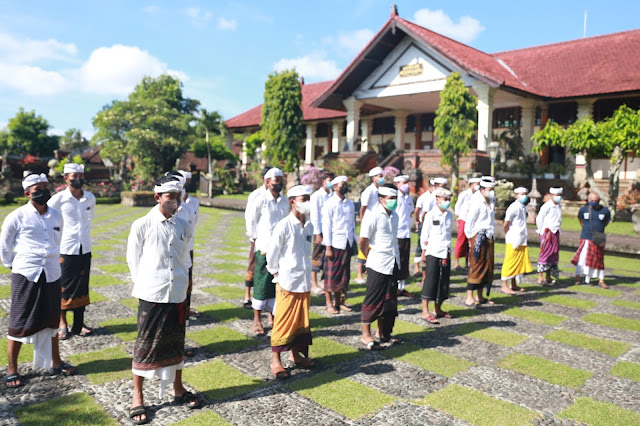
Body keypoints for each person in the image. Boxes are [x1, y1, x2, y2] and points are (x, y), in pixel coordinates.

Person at [126, 175, 201, 425]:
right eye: (170, 197)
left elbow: (185, 260)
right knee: (145, 345)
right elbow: (133, 261)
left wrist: (184, 285)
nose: (175, 202)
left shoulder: (183, 225)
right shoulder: (142, 224)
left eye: (178, 197)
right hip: (152, 293)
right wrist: (147, 286)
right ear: (157, 197)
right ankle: (138, 396)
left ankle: (178, 388)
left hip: (177, 292)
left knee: (176, 342)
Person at [1, 173, 77, 389]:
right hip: (26, 273)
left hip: (52, 272)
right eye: (38, 189)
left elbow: (58, 240)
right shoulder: (17, 216)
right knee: (19, 320)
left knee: (52, 318)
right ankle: (12, 368)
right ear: (27, 193)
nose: (44, 191)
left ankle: (56, 361)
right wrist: (16, 266)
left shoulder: (56, 215)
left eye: (46, 186)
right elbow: (5, 247)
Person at [266, 185, 315, 379]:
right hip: (287, 281)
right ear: (292, 202)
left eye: (308, 198)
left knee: (301, 322)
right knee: (283, 321)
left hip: (304, 281)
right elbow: (272, 255)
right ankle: (276, 361)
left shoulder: (309, 225)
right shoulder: (284, 225)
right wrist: (277, 275)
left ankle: (296, 356)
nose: (307, 203)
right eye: (304, 199)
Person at [48, 163, 96, 339]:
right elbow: (49, 223)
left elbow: (89, 219)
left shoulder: (90, 198)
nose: (78, 179)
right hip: (65, 248)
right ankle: (62, 323)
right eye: (74, 176)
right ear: (66, 178)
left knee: (82, 286)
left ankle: (79, 323)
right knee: (64, 287)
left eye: (80, 175)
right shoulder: (58, 200)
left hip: (85, 247)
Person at [247, 167, 289, 335]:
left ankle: (273, 315)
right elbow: (251, 221)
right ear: (267, 182)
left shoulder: (285, 201)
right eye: (275, 182)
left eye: (280, 182)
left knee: (276, 284)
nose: (278, 185)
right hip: (264, 248)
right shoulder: (260, 200)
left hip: (281, 251)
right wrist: (256, 239)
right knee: (261, 284)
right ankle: (257, 319)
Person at [359, 183, 401, 349]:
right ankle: (365, 335)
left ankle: (383, 333)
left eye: (395, 199)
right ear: (381, 199)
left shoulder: (395, 216)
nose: (393, 202)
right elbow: (363, 240)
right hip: (377, 263)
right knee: (373, 299)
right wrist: (368, 257)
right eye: (391, 199)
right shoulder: (373, 215)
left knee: (389, 301)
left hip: (392, 262)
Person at [322, 176, 357, 314]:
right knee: (331, 275)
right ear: (335, 187)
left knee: (343, 275)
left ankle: (339, 302)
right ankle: (328, 303)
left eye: (346, 184)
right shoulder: (330, 203)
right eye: (342, 185)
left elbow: (352, 224)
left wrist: (354, 242)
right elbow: (327, 226)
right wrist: (328, 247)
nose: (345, 187)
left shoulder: (349, 203)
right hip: (335, 243)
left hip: (347, 243)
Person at [420, 187, 453, 324]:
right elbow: (425, 233)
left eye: (449, 199)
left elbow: (448, 234)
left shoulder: (449, 215)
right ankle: (425, 311)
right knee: (431, 280)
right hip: (432, 251)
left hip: (445, 251)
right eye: (445, 199)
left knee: (443, 281)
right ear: (437, 199)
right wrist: (423, 250)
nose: (447, 202)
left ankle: (438, 309)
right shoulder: (431, 215)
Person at [464, 180, 496, 308]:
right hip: (478, 236)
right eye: (489, 189)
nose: (492, 192)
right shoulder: (477, 202)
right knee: (476, 265)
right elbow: (469, 222)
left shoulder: (491, 202)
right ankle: (469, 297)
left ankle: (480, 295)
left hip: (489, 235)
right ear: (482, 190)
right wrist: (471, 240)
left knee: (487, 265)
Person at [244, 166, 272, 309]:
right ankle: (248, 294)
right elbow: (250, 218)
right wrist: (253, 237)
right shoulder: (256, 195)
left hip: (272, 241)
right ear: (264, 180)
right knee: (253, 266)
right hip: (258, 239)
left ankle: (267, 299)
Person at [571, 192, 611, 288]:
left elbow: (605, 222)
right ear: (588, 201)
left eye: (596, 201)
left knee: (599, 259)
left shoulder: (605, 211)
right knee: (582, 258)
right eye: (592, 201)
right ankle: (578, 278)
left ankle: (601, 280)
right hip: (585, 237)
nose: (594, 202)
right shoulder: (583, 210)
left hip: (599, 237)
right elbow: (581, 222)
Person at [501, 187, 533, 294]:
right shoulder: (513, 207)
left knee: (518, 263)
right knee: (509, 261)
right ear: (516, 195)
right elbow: (506, 223)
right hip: (513, 239)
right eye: (521, 194)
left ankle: (513, 284)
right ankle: (504, 285)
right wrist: (508, 235)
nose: (524, 196)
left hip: (521, 238)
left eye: (525, 194)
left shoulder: (523, 207)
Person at [356, 166, 385, 284]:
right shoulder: (368, 191)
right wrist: (363, 223)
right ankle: (359, 274)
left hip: (378, 222)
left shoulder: (381, 190)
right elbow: (363, 209)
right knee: (364, 248)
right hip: (369, 221)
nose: (382, 178)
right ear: (373, 178)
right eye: (380, 176)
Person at [310, 170, 335, 296]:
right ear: (323, 182)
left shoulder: (332, 195)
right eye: (329, 181)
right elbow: (315, 216)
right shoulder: (316, 196)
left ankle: (325, 281)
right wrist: (317, 233)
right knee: (317, 256)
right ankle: (314, 284)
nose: (331, 184)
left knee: (327, 257)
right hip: (320, 230)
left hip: (330, 231)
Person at [536, 187, 563, 286]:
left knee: (553, 254)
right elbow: (540, 218)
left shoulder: (558, 205)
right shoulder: (547, 206)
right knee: (545, 253)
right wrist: (540, 230)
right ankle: (540, 277)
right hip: (548, 232)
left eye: (559, 195)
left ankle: (548, 276)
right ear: (551, 196)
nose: (558, 197)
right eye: (556, 195)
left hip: (556, 232)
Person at [393, 174, 415, 297]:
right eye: (404, 182)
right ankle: (394, 287)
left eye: (407, 182)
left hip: (406, 233)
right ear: (397, 184)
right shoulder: (394, 198)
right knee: (396, 260)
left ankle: (401, 288)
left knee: (404, 260)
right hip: (397, 233)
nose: (407, 185)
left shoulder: (408, 198)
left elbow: (410, 212)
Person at [453, 177, 481, 270]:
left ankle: (468, 262)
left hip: (472, 220)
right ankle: (456, 263)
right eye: (476, 183)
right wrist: (458, 218)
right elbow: (458, 206)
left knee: (471, 241)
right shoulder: (464, 194)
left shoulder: (478, 195)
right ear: (471, 184)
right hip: (463, 218)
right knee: (461, 240)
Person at [413, 179, 435, 276]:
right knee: (420, 245)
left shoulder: (436, 197)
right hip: (424, 223)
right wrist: (418, 221)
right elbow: (418, 211)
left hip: (433, 224)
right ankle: (417, 267)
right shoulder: (424, 197)